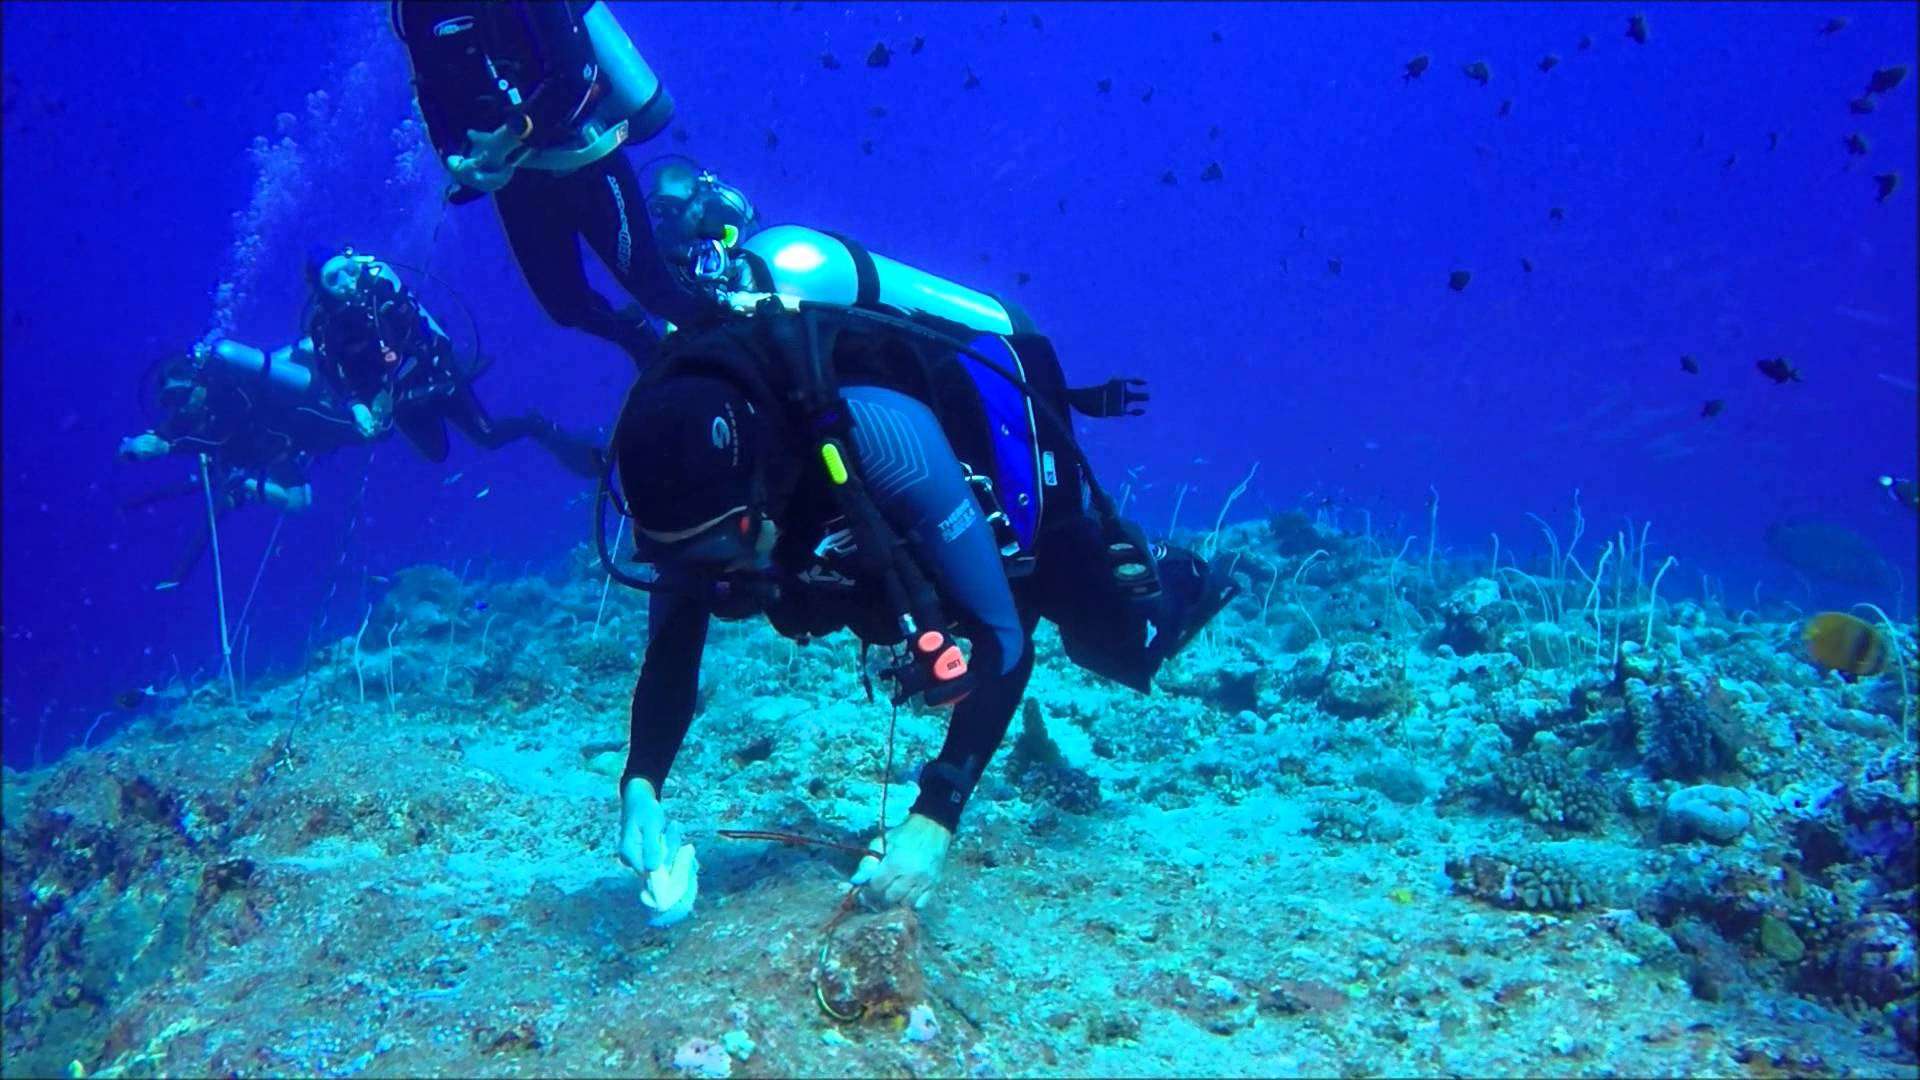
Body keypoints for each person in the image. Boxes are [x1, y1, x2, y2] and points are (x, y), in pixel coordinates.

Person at [600, 227, 1224, 922]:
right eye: (687, 556)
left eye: (731, 543)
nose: (720, 573)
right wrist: (641, 785)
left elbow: (1005, 636)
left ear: (762, 484)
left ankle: (1175, 577)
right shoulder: (690, 502)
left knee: (1104, 626)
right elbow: (673, 647)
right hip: (841, 530)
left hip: (984, 431)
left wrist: (935, 816)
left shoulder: (882, 437)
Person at [391, 0, 719, 368]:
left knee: (653, 287)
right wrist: (455, 158)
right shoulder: (413, 8)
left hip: (585, 159)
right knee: (566, 307)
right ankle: (641, 341)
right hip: (518, 182)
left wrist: (509, 137)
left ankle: (741, 346)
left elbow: (576, 76)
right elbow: (430, 94)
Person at [303, 246, 602, 477]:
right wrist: (358, 405)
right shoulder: (323, 326)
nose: (347, 282)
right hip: (398, 398)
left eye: (349, 271)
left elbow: (418, 331)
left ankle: (538, 427)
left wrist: (397, 379)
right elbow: (333, 373)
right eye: (333, 279)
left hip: (434, 372)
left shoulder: (381, 287)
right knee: (436, 453)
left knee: (488, 435)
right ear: (321, 288)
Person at [119, 338, 361, 588]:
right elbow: (163, 436)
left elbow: (217, 434)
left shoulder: (226, 387)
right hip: (275, 443)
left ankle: (240, 484)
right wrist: (141, 444)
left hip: (292, 422)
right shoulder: (193, 414)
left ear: (196, 382)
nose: (180, 407)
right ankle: (243, 485)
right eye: (171, 402)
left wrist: (168, 445)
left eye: (181, 396)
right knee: (297, 501)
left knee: (364, 430)